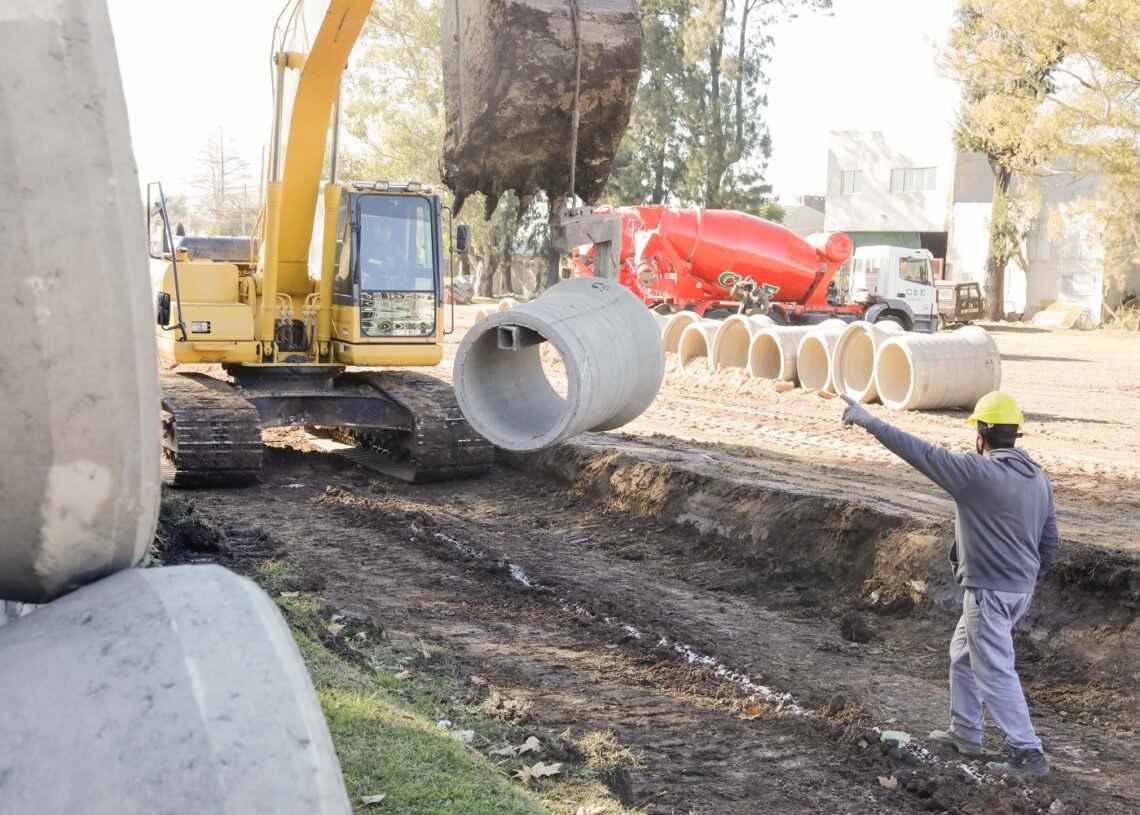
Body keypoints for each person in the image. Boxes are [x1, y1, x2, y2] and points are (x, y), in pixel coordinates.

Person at [840, 391, 1058, 778]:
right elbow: (1050, 541)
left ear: (980, 436)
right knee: (963, 654)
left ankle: (1027, 751)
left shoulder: (977, 473)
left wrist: (871, 422)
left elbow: (921, 453)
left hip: (990, 590)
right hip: (1017, 590)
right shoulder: (1038, 479)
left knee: (994, 668)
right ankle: (966, 733)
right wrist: (1025, 580)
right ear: (1014, 434)